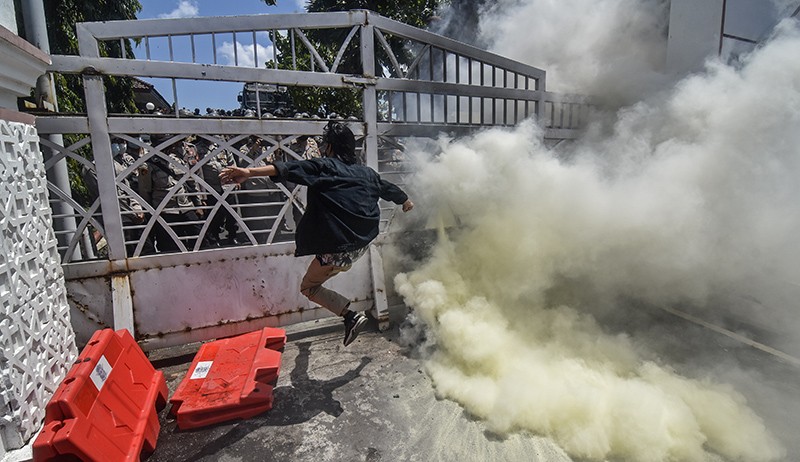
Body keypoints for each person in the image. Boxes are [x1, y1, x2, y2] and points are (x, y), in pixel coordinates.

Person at [220, 122, 414, 346]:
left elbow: (286, 169)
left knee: (309, 288)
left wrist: (248, 172)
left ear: (330, 147)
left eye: (325, 144)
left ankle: (350, 316)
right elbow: (387, 188)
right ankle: (349, 315)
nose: (322, 148)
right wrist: (405, 200)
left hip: (336, 251)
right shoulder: (367, 173)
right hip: (360, 245)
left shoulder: (324, 167)